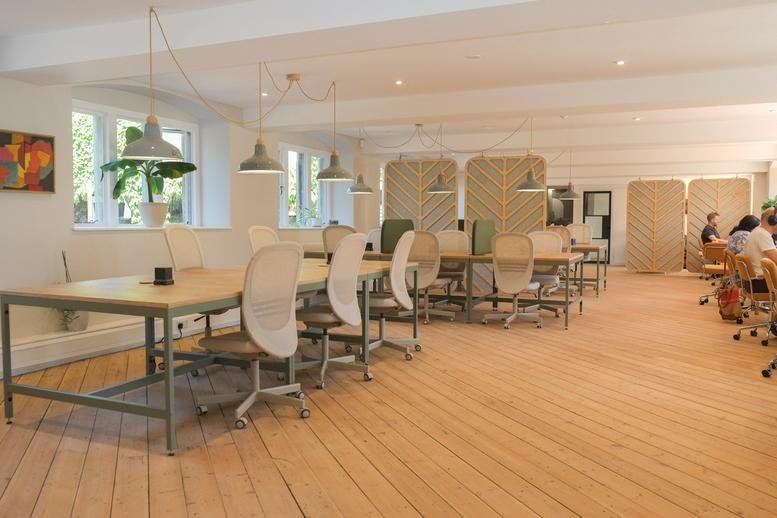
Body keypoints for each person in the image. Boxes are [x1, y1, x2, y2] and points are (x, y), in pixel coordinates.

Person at [742, 207, 777, 292]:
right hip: (762, 283)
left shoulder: (757, 231)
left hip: (757, 281)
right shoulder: (762, 235)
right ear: (772, 220)